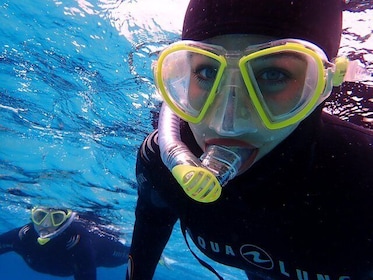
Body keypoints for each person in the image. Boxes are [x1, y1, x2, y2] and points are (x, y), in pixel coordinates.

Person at [127, 0, 373, 279]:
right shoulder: (161, 165)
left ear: (322, 85)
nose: (228, 123)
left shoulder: (365, 179)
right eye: (206, 72)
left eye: (272, 74)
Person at [0, 206, 129, 280]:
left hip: (103, 252)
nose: (45, 224)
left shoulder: (80, 243)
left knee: (135, 255)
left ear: (66, 220)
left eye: (56, 217)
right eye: (40, 216)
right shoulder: (23, 237)